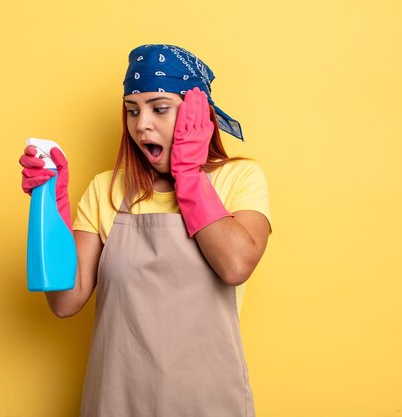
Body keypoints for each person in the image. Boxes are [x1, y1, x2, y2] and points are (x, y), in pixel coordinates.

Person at [19, 44, 272, 417]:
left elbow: (235, 265)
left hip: (208, 402)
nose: (142, 125)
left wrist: (188, 175)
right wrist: (50, 211)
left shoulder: (239, 179)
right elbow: (64, 303)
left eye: (160, 107)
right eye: (132, 111)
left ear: (197, 113)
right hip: (118, 401)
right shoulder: (107, 189)